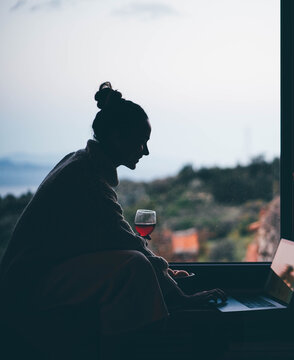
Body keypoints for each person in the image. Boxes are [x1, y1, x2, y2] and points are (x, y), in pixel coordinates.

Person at [0, 82, 226, 357]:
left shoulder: (80, 163)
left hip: (29, 279)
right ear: (118, 137)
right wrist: (181, 297)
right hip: (27, 290)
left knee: (138, 264)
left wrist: (162, 273)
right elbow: (128, 242)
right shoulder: (88, 182)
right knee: (134, 265)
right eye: (141, 141)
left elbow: (107, 241)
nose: (145, 152)